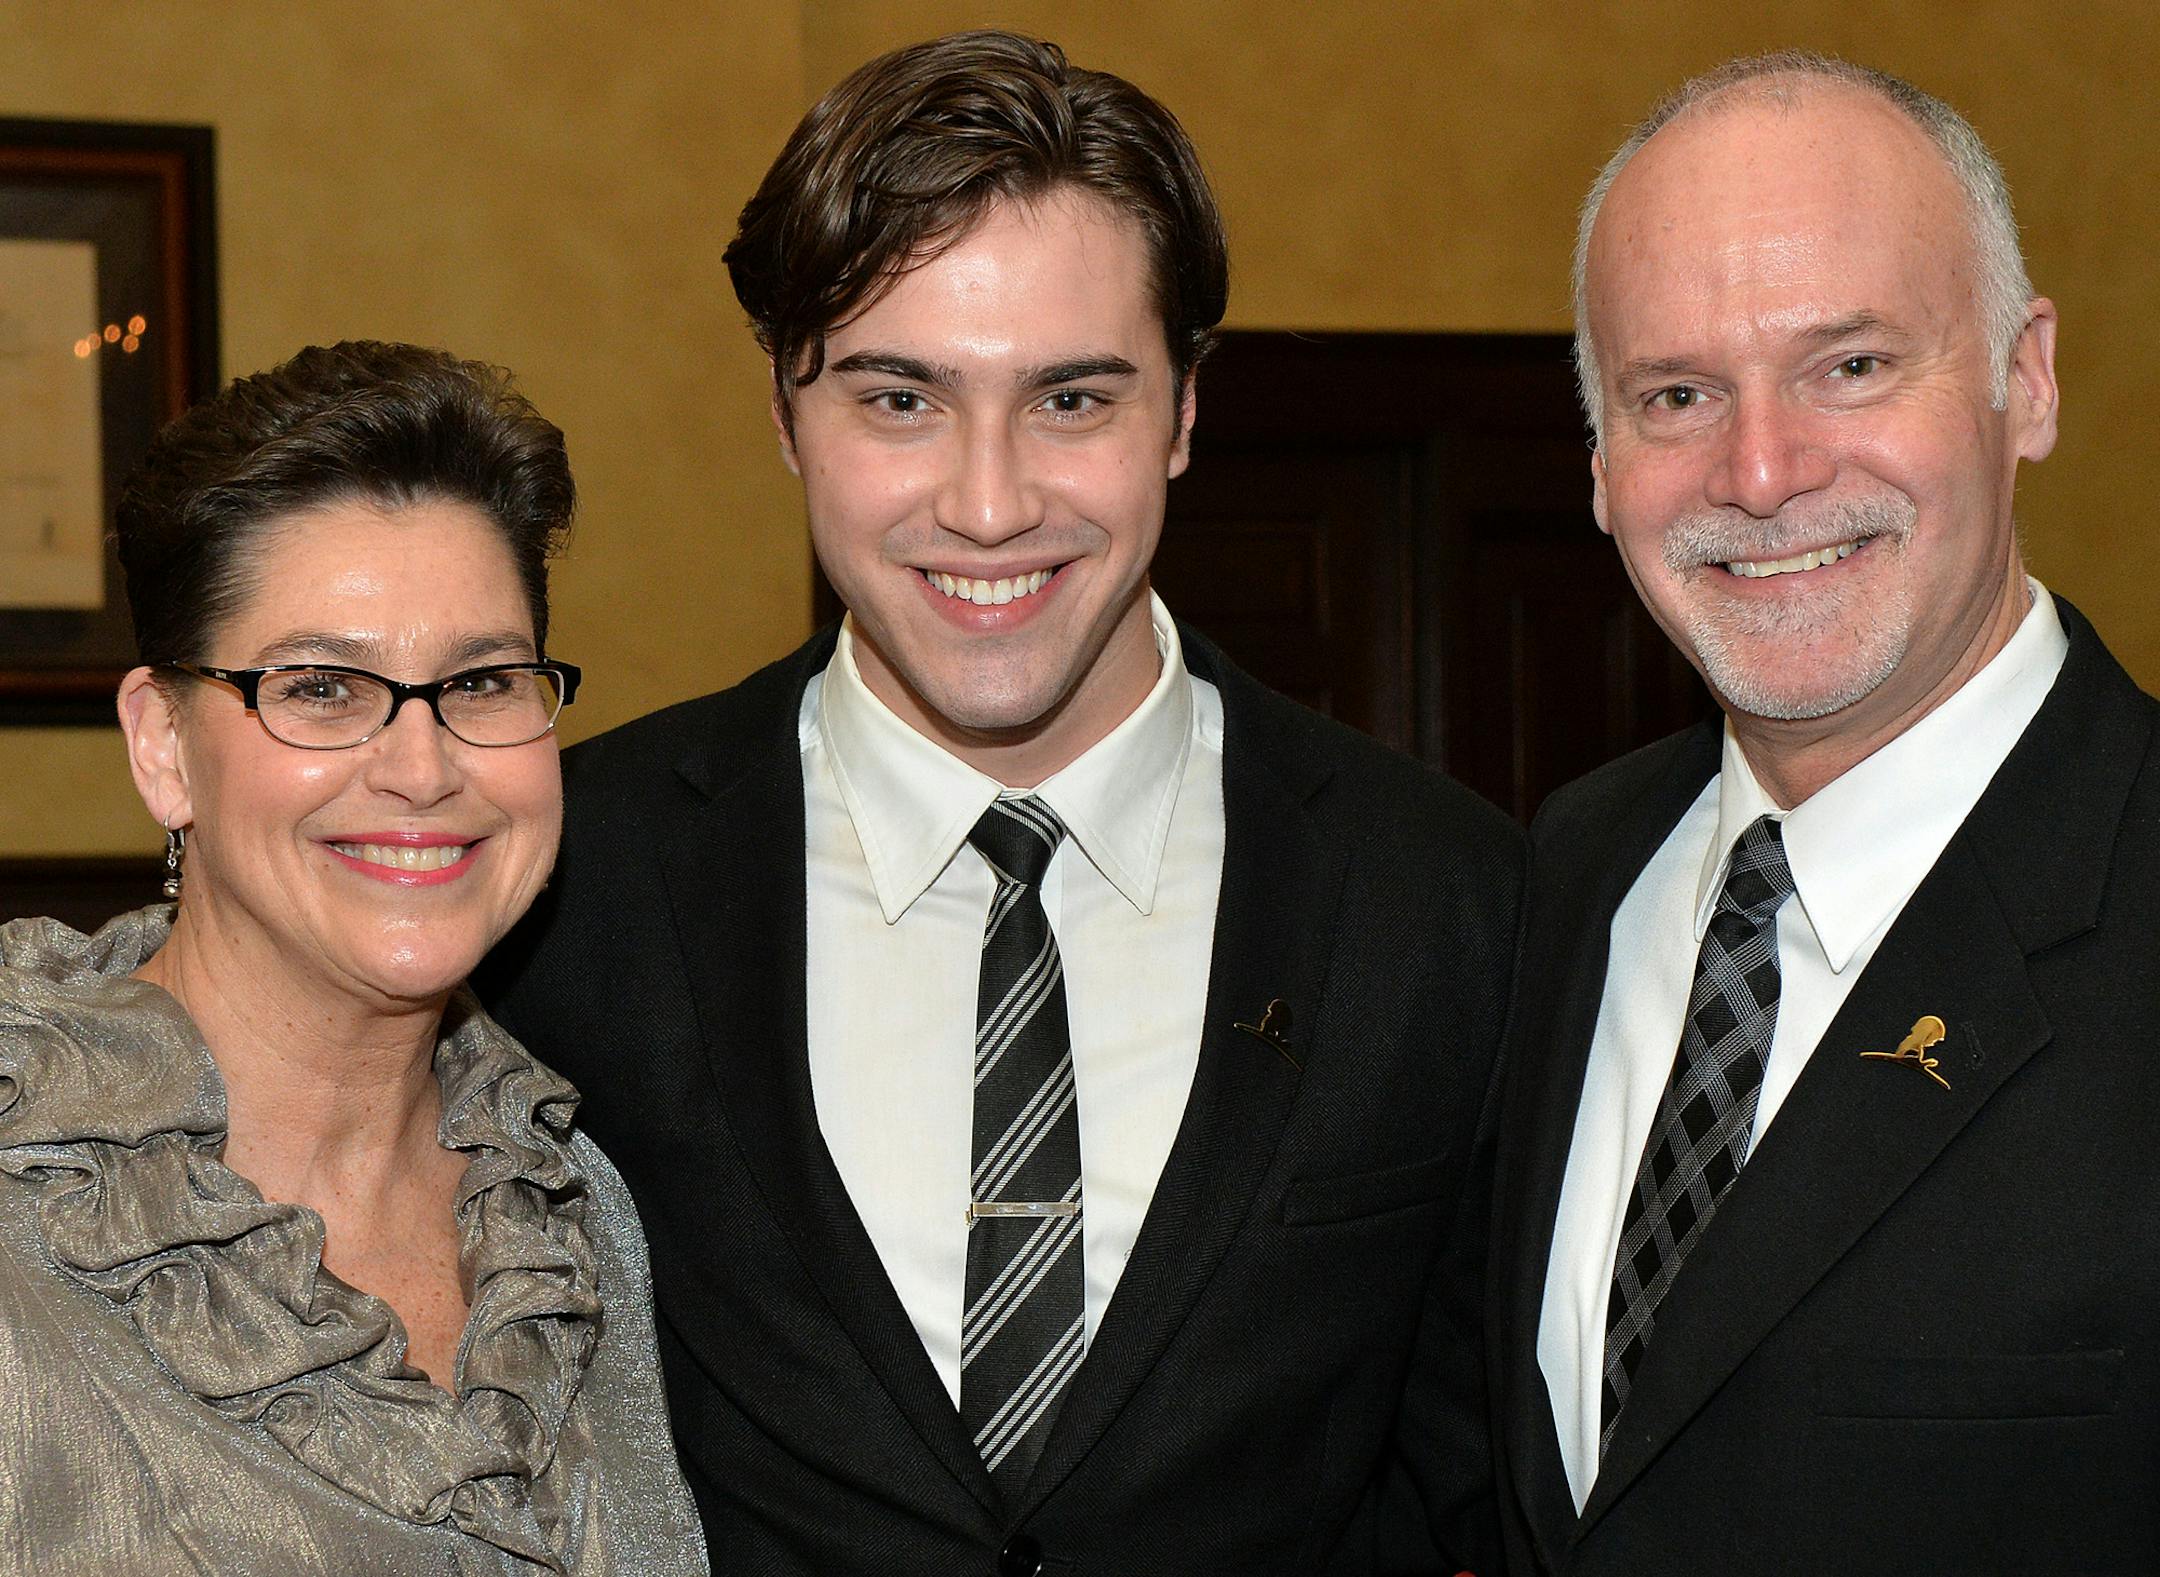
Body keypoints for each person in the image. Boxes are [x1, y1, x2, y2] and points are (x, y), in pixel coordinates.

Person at [481, 29, 1522, 1577]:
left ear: (1181, 412)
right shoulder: (569, 882)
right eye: (900, 401)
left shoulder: (1452, 896)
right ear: (785, 414)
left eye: (1073, 401)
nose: (987, 502)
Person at [1488, 51, 2160, 1572]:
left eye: (1851, 365)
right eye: (1675, 394)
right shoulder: (1558, 877)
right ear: (1598, 464)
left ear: (2026, 377)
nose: (1764, 470)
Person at [0, 341, 706, 1574]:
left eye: (481, 680)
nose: (423, 767)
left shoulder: (580, 1216)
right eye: (324, 686)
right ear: (163, 744)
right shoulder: (31, 1218)